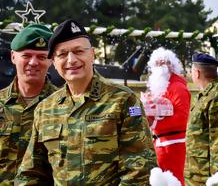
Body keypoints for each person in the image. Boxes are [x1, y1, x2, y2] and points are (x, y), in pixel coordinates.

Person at [15, 19, 157, 185]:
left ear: (92, 54)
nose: (71, 60)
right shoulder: (46, 108)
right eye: (62, 54)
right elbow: (31, 171)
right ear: (53, 61)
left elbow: (140, 169)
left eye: (78, 51)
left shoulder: (123, 100)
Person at [0, 24, 56, 185]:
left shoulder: (65, 105)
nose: (33, 62)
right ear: (13, 57)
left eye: (41, 56)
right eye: (26, 55)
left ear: (51, 60)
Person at [141, 47, 191, 186]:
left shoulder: (177, 88)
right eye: (156, 63)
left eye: (162, 63)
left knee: (174, 180)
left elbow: (182, 118)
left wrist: (156, 124)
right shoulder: (163, 86)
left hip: (173, 145)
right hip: (162, 143)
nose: (159, 67)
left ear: (171, 65)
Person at [184, 53, 218, 186]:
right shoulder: (205, 94)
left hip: (206, 174)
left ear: (197, 73)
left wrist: (216, 177)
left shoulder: (217, 96)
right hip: (197, 169)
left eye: (191, 71)